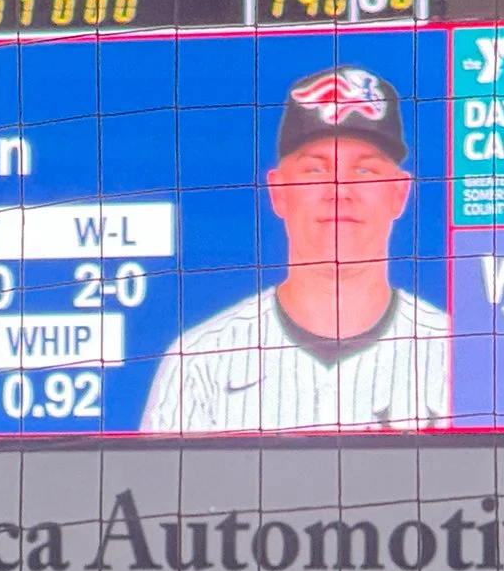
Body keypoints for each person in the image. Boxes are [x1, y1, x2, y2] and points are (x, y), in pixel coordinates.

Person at [141, 65, 450, 434]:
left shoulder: (456, 355)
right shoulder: (201, 359)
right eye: (316, 171)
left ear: (400, 192)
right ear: (278, 191)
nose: (339, 191)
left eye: (365, 171)